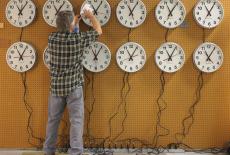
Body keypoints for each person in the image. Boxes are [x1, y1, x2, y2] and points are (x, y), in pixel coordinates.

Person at [43, 10, 102, 155]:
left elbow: (67, 31)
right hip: (74, 87)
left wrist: (73, 23)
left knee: (53, 120)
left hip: (56, 88)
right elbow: (98, 31)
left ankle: (48, 151)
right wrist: (90, 16)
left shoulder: (52, 38)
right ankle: (75, 152)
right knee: (76, 120)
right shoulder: (78, 39)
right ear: (70, 24)